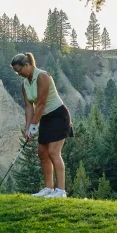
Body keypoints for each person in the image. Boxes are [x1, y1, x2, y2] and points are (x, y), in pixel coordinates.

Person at [11, 52, 73, 198]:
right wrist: (27, 129)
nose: (18, 74)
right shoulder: (25, 84)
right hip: (45, 118)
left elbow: (41, 103)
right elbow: (28, 107)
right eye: (16, 72)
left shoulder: (43, 77)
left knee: (53, 152)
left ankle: (61, 191)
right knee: (42, 153)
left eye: (19, 70)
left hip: (58, 116)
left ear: (27, 65)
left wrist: (34, 126)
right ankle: (48, 188)